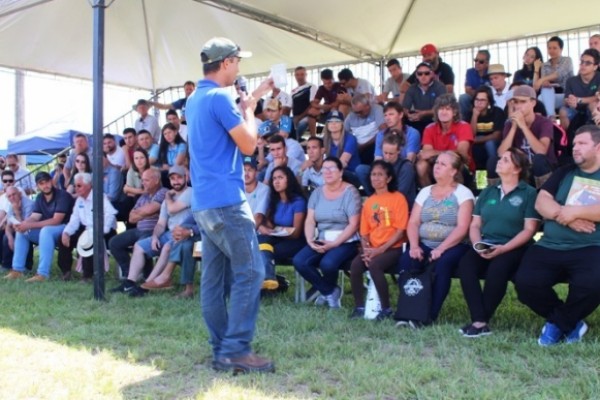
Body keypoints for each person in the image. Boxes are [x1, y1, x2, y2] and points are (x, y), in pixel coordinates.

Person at [186, 37, 275, 373]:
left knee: (212, 280)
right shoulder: (223, 99)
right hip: (227, 201)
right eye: (237, 60)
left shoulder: (196, 98)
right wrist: (251, 110)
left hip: (204, 203)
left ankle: (220, 349)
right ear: (225, 64)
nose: (240, 66)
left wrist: (254, 96)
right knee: (252, 271)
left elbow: (225, 117)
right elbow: (250, 145)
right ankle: (236, 351)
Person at [515, 125, 600, 346]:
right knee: (525, 284)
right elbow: (541, 201)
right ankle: (571, 322)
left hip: (591, 246)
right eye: (574, 144)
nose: (575, 148)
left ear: (598, 147)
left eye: (582, 144)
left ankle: (559, 323)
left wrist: (576, 211)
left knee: (593, 284)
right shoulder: (565, 171)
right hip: (550, 245)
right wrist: (566, 215)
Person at [456, 148, 540, 337]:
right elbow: (475, 224)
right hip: (486, 242)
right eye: (500, 159)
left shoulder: (529, 193)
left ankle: (479, 322)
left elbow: (529, 230)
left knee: (497, 270)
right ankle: (480, 320)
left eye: (505, 160)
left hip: (514, 246)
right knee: (466, 266)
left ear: (517, 168)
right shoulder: (488, 192)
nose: (499, 162)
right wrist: (477, 245)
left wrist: (503, 249)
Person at [399, 151, 474, 325]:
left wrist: (441, 248)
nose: (437, 167)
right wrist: (414, 246)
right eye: (437, 163)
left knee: (442, 265)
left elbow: (462, 228)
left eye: (443, 164)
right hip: (425, 243)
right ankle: (408, 310)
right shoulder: (425, 192)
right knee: (406, 260)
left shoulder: (463, 194)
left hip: (454, 246)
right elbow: (413, 222)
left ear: (454, 171)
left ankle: (429, 315)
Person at [293, 156, 362, 309]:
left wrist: (335, 244)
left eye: (332, 168)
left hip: (346, 240)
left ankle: (327, 293)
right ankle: (330, 291)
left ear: (341, 172)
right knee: (299, 261)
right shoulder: (317, 193)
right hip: (322, 237)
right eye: (324, 169)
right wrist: (310, 240)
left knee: (328, 264)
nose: (327, 172)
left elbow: (354, 224)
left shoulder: (351, 192)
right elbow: (310, 220)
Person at [115, 166, 192, 297]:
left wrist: (167, 197)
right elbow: (161, 224)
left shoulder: (190, 192)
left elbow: (173, 209)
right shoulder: (169, 197)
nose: (176, 181)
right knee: (139, 246)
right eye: (173, 179)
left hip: (184, 234)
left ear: (186, 178)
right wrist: (155, 236)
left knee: (167, 247)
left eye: (179, 178)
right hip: (168, 234)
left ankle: (147, 285)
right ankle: (130, 282)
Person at [349, 160, 409, 320]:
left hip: (393, 248)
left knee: (375, 266)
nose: (376, 178)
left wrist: (379, 251)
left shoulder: (398, 198)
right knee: (355, 266)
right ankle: (359, 307)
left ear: (388, 178)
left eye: (380, 175)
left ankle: (386, 309)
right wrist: (367, 250)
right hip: (373, 248)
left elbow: (400, 230)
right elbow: (364, 233)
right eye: (373, 175)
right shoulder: (369, 202)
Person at [4, 172, 75, 282]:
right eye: (41, 183)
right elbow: (35, 216)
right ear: (38, 186)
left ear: (51, 181)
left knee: (45, 231)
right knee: (23, 231)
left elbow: (57, 220)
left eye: (47, 182)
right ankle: (17, 270)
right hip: (49, 232)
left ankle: (42, 274)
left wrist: (29, 225)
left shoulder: (62, 195)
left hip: (66, 229)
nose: (45, 185)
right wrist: (23, 225)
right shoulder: (40, 197)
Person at [109, 168, 167, 281]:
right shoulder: (143, 196)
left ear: (156, 180)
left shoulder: (163, 192)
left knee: (141, 244)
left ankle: (147, 276)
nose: (142, 183)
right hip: (138, 230)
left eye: (146, 180)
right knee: (114, 243)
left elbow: (151, 209)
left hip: (153, 230)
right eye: (142, 180)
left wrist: (141, 212)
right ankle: (128, 272)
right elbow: (131, 218)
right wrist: (145, 212)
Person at [495, 85, 556, 188]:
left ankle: (544, 194)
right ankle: (497, 194)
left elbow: (541, 151)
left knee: (538, 160)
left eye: (523, 102)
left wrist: (523, 126)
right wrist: (514, 127)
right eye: (516, 102)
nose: (518, 106)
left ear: (533, 103)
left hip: (543, 168)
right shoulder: (510, 124)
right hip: (520, 168)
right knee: (493, 161)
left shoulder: (544, 122)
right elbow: (501, 153)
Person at [60, 172, 117, 281]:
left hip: (105, 230)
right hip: (87, 229)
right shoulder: (79, 201)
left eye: (79, 185)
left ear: (89, 185)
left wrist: (103, 229)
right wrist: (66, 232)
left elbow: (111, 213)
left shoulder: (100, 197)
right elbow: (74, 220)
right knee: (63, 238)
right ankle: (66, 272)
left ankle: (87, 275)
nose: (76, 188)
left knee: (91, 238)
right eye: (75, 185)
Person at [257, 166, 307, 290]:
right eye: (274, 179)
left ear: (288, 180)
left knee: (267, 251)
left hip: (295, 241)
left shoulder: (298, 201)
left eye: (280, 178)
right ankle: (271, 280)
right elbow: (269, 223)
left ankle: (271, 281)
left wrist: (278, 230)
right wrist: (264, 227)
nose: (276, 181)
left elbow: (296, 233)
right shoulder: (275, 200)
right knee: (258, 240)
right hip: (278, 237)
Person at [416, 94, 474, 188]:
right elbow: (426, 155)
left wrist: (435, 153)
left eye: (447, 109)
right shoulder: (429, 129)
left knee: (452, 165)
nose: (443, 112)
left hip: (460, 165)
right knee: (421, 165)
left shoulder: (464, 126)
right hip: (436, 164)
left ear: (454, 112)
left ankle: (455, 198)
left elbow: (461, 154)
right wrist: (446, 155)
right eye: (441, 109)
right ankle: (429, 196)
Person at [467, 86, 507, 180]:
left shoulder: (497, 112)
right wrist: (475, 116)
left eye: (482, 100)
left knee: (489, 144)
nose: (479, 103)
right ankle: (481, 184)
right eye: (476, 99)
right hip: (478, 146)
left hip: (494, 144)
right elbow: (471, 135)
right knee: (476, 150)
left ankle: (495, 176)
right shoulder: (470, 114)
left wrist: (477, 140)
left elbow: (497, 135)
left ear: (489, 102)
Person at [534, 36, 574, 119]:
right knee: (542, 94)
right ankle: (551, 117)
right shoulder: (545, 65)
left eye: (554, 48)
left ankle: (550, 119)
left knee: (541, 98)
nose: (551, 51)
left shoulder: (567, 60)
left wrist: (542, 79)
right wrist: (544, 82)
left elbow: (558, 74)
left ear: (561, 49)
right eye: (549, 48)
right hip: (552, 96)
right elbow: (544, 83)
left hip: (567, 96)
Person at [559, 48, 600, 131]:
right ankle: (567, 140)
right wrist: (570, 101)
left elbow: (598, 97)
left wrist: (578, 100)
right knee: (563, 111)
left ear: (595, 66)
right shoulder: (571, 81)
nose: (583, 65)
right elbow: (566, 100)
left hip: (593, 109)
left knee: (594, 105)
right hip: (576, 109)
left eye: (587, 63)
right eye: (582, 62)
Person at [402, 62, 447, 134]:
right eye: (420, 74)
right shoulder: (412, 88)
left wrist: (424, 113)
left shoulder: (440, 87)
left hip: (435, 120)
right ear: (416, 75)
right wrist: (409, 115)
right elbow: (405, 108)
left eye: (426, 73)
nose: (423, 76)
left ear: (432, 74)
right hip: (417, 120)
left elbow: (443, 108)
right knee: (402, 119)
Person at [344, 94, 386, 165]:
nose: (358, 115)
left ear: (368, 106)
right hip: (356, 148)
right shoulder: (351, 116)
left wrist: (364, 145)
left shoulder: (377, 109)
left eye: (360, 112)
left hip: (373, 145)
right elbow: (343, 134)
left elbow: (383, 131)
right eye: (355, 112)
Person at [323, 110, 361, 186]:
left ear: (342, 124)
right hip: (335, 172)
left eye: (337, 121)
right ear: (327, 124)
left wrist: (327, 170)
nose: (333, 124)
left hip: (351, 174)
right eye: (330, 121)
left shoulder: (350, 138)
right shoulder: (325, 139)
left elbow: (342, 163)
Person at [458, 50, 491, 117]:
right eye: (476, 60)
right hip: (473, 99)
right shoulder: (470, 72)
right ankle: (465, 122)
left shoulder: (491, 72)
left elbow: (492, 93)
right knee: (463, 97)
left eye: (481, 62)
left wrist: (475, 91)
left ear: (487, 63)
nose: (477, 63)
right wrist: (481, 93)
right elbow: (467, 91)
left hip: (488, 100)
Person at [244, 156, 270, 228]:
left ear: (256, 172)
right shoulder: (236, 189)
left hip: (256, 233)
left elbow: (258, 217)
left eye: (250, 170)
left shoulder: (264, 189)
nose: (246, 174)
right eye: (244, 170)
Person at [291, 66, 318, 137]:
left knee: (294, 134)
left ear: (306, 75)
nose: (300, 77)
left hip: (306, 117)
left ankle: (312, 138)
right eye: (297, 75)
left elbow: (312, 105)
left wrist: (299, 118)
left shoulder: (311, 87)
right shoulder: (293, 91)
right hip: (295, 118)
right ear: (295, 76)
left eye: (302, 74)